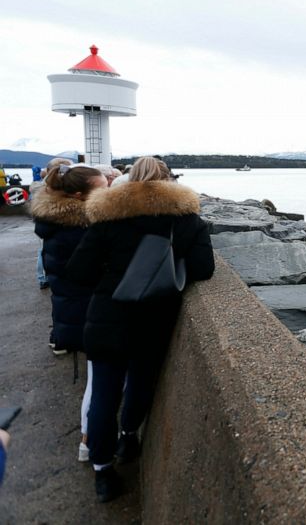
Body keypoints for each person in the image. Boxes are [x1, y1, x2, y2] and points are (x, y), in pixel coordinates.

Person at [67, 156, 214, 502]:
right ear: (170, 182)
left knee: (103, 395)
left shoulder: (107, 216)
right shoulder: (187, 220)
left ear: (130, 180)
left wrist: (113, 274)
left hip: (107, 317)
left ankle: (102, 472)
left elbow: (78, 272)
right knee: (140, 384)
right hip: (153, 321)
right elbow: (203, 269)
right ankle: (128, 437)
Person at [31, 163, 109, 463]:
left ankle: (91, 443)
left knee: (97, 382)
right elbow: (94, 272)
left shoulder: (56, 225)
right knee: (99, 384)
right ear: (79, 196)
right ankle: (90, 445)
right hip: (89, 315)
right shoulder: (79, 231)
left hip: (73, 313)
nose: (110, 194)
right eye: (104, 189)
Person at [34, 158, 73, 292]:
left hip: (47, 231)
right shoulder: (67, 190)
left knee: (44, 251)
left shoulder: (41, 190)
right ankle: (43, 278)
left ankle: (43, 278)